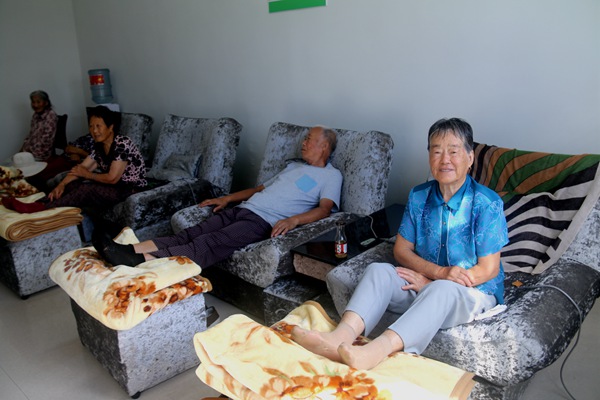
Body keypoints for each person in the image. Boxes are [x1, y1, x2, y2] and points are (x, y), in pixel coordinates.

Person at [291, 118, 508, 370]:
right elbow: (401, 250)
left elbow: (488, 269)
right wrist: (436, 273)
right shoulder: (419, 195)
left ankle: (375, 351)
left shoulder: (486, 203)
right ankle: (339, 337)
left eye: (453, 151)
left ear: (470, 158)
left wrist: (436, 283)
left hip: (472, 292)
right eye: (437, 151)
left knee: (442, 290)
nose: (444, 159)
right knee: (378, 271)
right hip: (428, 280)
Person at [92, 126, 342, 269]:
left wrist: (294, 220)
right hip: (243, 209)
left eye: (309, 139)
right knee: (189, 233)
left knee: (208, 242)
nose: (303, 143)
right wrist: (227, 199)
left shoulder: (330, 176)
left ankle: (137, 261)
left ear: (324, 147)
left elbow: (324, 210)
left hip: (262, 222)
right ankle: (125, 250)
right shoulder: (293, 167)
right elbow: (259, 189)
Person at [3, 106, 146, 215]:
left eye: (98, 126)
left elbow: (112, 178)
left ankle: (41, 208)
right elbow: (80, 169)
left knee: (86, 189)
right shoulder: (99, 146)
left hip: (129, 190)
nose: (94, 131)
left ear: (110, 127)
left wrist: (87, 174)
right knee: (72, 184)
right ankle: (39, 202)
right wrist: (62, 185)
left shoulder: (122, 144)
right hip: (114, 187)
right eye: (91, 126)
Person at [21, 90, 57, 162]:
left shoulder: (50, 115)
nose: (35, 105)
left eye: (38, 102)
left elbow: (46, 140)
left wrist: (30, 151)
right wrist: (23, 148)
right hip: (31, 151)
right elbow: (31, 135)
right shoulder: (35, 115)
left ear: (46, 103)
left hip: (41, 153)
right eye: (33, 102)